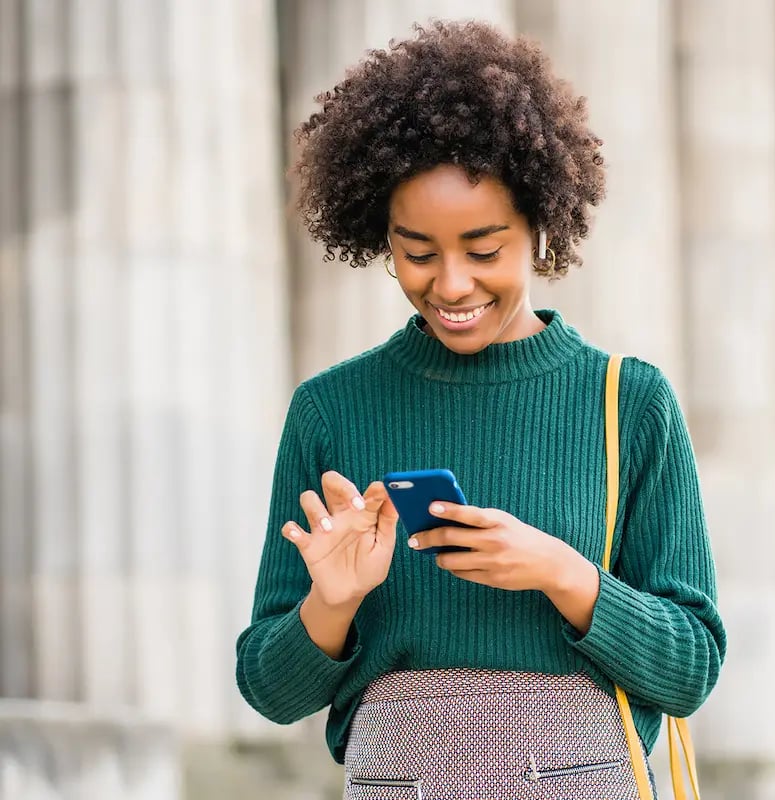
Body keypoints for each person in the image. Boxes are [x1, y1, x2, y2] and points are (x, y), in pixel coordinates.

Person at [235, 19, 725, 799]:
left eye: (485, 248)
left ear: (539, 222)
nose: (452, 284)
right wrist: (333, 602)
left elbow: (692, 668)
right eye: (418, 253)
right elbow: (271, 690)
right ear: (380, 239)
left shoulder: (629, 404)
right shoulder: (331, 410)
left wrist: (563, 574)